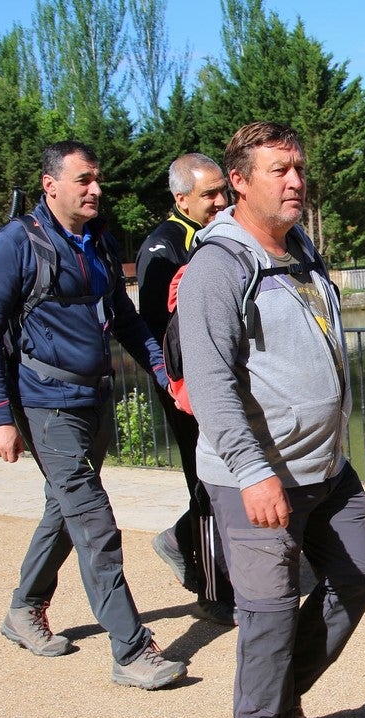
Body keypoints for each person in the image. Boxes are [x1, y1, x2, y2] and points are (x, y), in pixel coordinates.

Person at [178, 122, 365, 718]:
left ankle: (281, 698)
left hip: (324, 467)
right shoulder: (218, 264)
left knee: (355, 578)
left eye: (298, 167)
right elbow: (208, 382)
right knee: (266, 610)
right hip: (257, 476)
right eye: (279, 169)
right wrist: (253, 469)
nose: (296, 180)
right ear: (239, 180)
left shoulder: (299, 247)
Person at [0, 140, 186, 690]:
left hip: (93, 400)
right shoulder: (16, 244)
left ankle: (23, 609)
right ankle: (131, 651)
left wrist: (166, 371)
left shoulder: (99, 242)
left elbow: (125, 320)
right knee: (95, 523)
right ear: (51, 185)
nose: (95, 189)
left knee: (63, 512)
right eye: (84, 179)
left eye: (97, 179)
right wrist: (0, 415)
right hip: (45, 405)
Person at [135, 153, 236, 626]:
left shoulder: (222, 232)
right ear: (181, 199)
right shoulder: (162, 247)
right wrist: (181, 389)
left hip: (222, 378)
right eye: (208, 194)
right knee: (207, 484)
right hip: (186, 386)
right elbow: (157, 331)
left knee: (227, 479)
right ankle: (213, 591)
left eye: (222, 191)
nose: (220, 201)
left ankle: (178, 539)